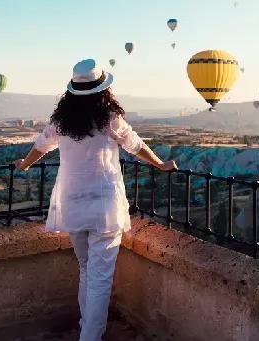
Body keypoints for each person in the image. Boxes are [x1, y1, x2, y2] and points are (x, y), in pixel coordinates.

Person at [14, 59, 176, 341]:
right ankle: (90, 336)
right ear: (103, 90)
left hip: (73, 203)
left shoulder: (62, 121)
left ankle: (86, 328)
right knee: (100, 278)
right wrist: (161, 164)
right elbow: (135, 145)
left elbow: (41, 145)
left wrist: (25, 165)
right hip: (104, 206)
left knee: (86, 269)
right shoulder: (109, 119)